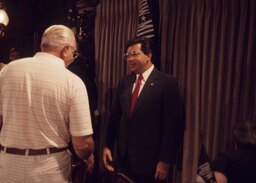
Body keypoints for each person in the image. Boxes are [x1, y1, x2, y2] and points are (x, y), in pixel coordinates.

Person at [0, 25, 94, 183]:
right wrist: (88, 154)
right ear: (65, 49)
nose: (73, 57)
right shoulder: (73, 82)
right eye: (74, 52)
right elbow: (82, 144)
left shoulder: (7, 71)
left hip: (8, 165)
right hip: (50, 169)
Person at [102, 36, 183, 183]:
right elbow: (114, 117)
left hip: (151, 162)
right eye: (127, 55)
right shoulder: (125, 82)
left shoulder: (166, 82)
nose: (129, 59)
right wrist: (107, 145)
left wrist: (165, 160)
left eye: (134, 54)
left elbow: (172, 126)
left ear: (148, 55)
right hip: (123, 158)